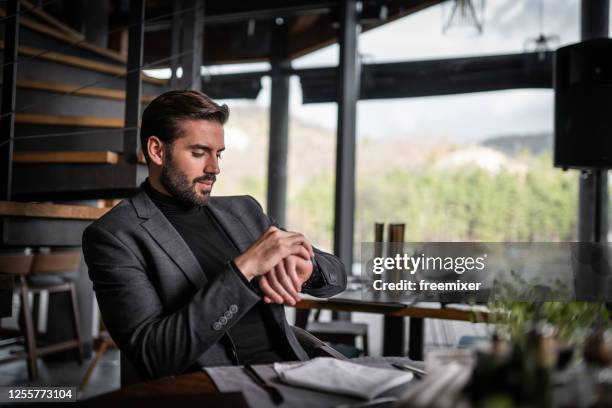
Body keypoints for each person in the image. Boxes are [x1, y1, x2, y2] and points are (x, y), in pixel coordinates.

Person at [82, 90, 346, 381]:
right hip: (212, 390)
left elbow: (336, 274)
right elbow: (155, 355)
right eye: (199, 153)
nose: (214, 168)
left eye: (218, 154)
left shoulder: (245, 210)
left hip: (293, 374)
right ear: (157, 151)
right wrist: (244, 269)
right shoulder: (115, 236)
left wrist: (307, 269)